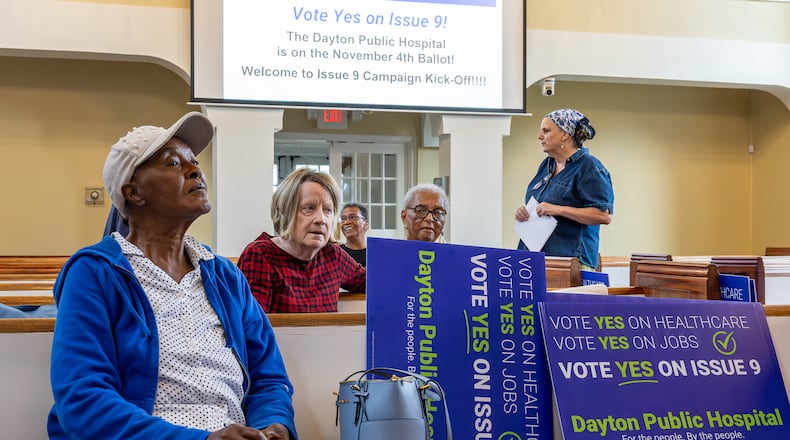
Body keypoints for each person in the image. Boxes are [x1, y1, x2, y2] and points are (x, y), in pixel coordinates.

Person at [48, 112, 297, 440]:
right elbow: (84, 400)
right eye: (172, 163)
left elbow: (268, 377)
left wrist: (273, 426)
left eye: (193, 160)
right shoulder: (95, 274)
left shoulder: (224, 276)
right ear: (134, 192)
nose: (195, 169)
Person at [237, 168, 366, 313]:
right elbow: (254, 328)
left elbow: (373, 282)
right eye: (309, 208)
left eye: (328, 210)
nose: (321, 219)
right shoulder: (261, 255)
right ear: (285, 212)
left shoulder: (332, 255)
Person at [514, 108, 614, 271]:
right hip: (534, 258)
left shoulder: (590, 167)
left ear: (564, 134)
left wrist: (558, 210)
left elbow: (603, 215)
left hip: (570, 263)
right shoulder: (547, 165)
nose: (540, 137)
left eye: (546, 131)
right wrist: (524, 213)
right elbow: (540, 206)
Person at [338, 202, 368, 267]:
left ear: (365, 224)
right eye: (343, 219)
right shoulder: (338, 253)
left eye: (353, 217)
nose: (346, 222)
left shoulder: (375, 253)